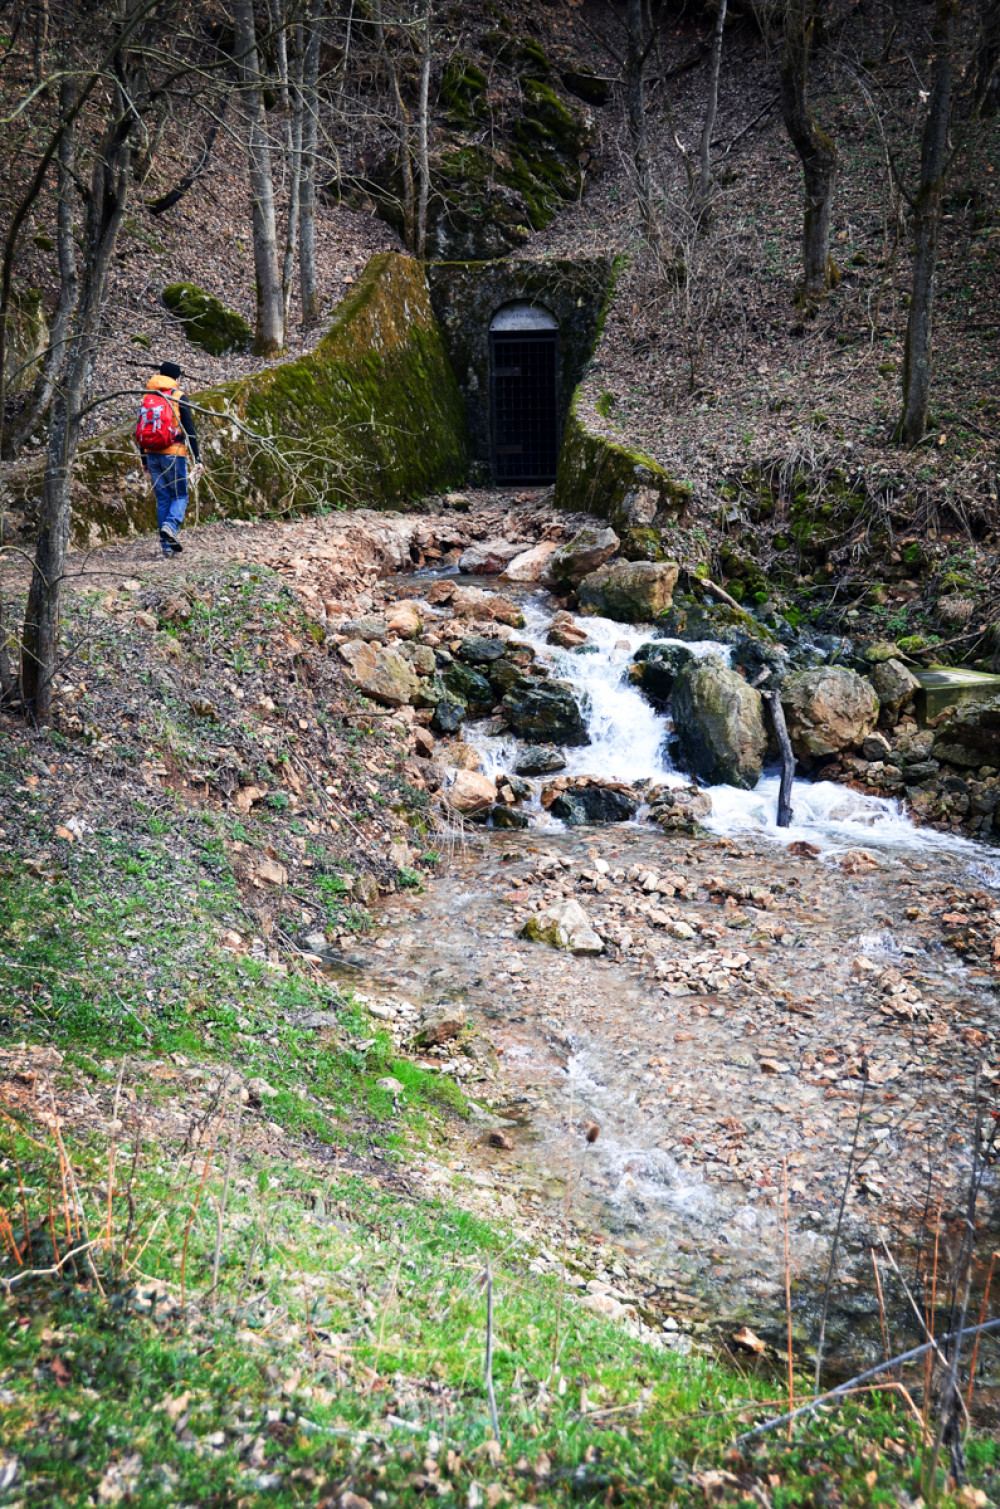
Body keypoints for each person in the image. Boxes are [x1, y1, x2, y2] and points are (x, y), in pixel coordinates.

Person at [136, 361, 202, 556]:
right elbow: (189, 430)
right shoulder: (179, 397)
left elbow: (140, 429)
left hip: (152, 454)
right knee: (181, 495)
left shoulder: (148, 398)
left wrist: (144, 460)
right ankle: (170, 526)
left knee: (163, 499)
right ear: (176, 378)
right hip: (174, 454)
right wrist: (198, 458)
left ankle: (166, 547)